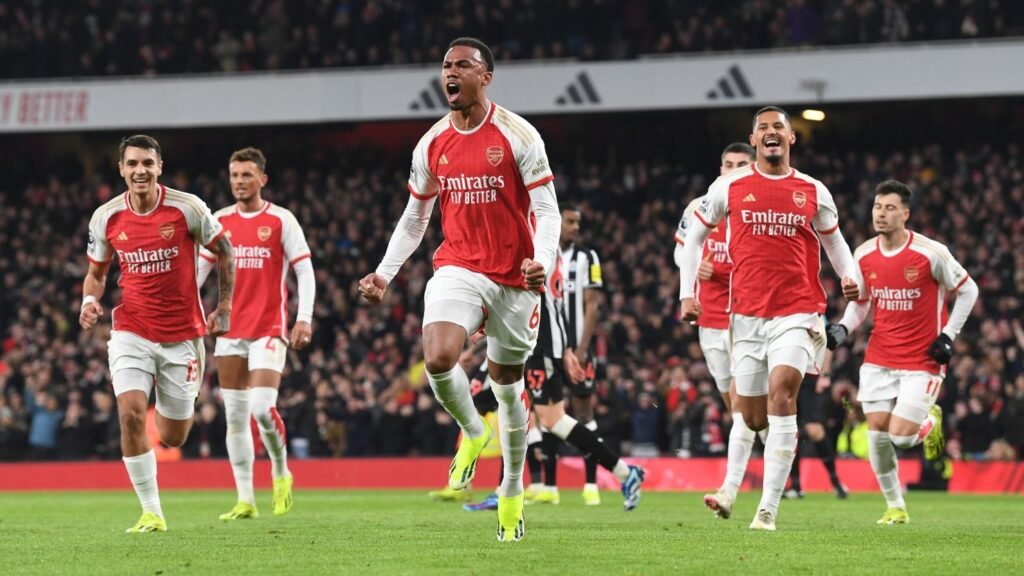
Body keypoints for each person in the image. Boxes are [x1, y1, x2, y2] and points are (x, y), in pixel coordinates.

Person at [358, 37, 560, 543]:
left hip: (515, 276)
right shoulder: (431, 143)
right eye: (446, 65)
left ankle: (511, 489)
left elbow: (548, 210)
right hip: (460, 265)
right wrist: (384, 273)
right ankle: (473, 430)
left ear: (485, 77)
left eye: (463, 66)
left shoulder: (518, 135)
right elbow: (415, 218)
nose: (451, 72)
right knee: (439, 356)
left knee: (508, 388)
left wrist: (543, 262)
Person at [678, 107, 861, 531]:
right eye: (763, 127)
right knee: (753, 416)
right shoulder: (729, 186)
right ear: (754, 139)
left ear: (791, 138)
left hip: (798, 311)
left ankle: (767, 510)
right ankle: (742, 488)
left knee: (783, 393)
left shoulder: (812, 190)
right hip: (745, 316)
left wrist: (849, 276)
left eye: (779, 126)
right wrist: (688, 293)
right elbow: (693, 240)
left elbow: (835, 243)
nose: (771, 132)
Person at [80, 134, 234, 532]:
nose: (140, 170)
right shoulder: (107, 217)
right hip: (131, 329)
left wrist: (224, 306)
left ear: (159, 167)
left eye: (147, 163)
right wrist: (89, 301)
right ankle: (151, 511)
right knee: (131, 414)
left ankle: (174, 414)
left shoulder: (187, 208)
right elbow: (96, 274)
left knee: (173, 435)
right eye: (132, 163)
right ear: (121, 169)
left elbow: (226, 250)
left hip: (182, 337)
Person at [828, 179, 978, 525]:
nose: (881, 214)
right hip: (879, 356)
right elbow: (861, 303)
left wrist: (948, 335)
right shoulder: (864, 254)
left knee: (902, 436)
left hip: (922, 360)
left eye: (890, 208)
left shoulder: (931, 253)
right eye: (877, 207)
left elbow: (969, 290)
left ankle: (930, 420)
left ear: (905, 214)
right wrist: (843, 327)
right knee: (877, 435)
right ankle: (895, 506)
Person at [197, 147, 315, 521]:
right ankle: (245, 499)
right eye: (234, 175)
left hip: (269, 328)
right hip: (230, 331)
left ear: (262, 179)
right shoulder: (218, 221)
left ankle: (280, 470)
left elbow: (305, 271)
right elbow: (197, 274)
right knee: (235, 418)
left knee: (262, 408)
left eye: (247, 175)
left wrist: (304, 318)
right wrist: (191, 315)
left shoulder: (281, 220)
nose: (239, 181)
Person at [673, 142, 760, 520]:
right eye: (728, 164)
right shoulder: (700, 206)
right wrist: (696, 267)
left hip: (749, 316)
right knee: (739, 409)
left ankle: (729, 490)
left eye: (742, 164)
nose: (734, 169)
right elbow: (680, 250)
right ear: (720, 167)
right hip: (710, 320)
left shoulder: (757, 206)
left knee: (743, 405)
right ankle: (782, 455)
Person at [559, 206, 609, 505]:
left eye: (578, 222)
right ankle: (545, 485)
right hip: (547, 348)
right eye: (570, 221)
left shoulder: (588, 258)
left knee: (583, 411)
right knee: (542, 412)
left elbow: (593, 305)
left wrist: (582, 348)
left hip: (578, 347)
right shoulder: (542, 253)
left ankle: (591, 484)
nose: (575, 227)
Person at [783, 348, 848, 499]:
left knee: (815, 430)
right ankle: (795, 486)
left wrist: (825, 374)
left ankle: (836, 482)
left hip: (810, 378)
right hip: (787, 376)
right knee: (790, 432)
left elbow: (828, 344)